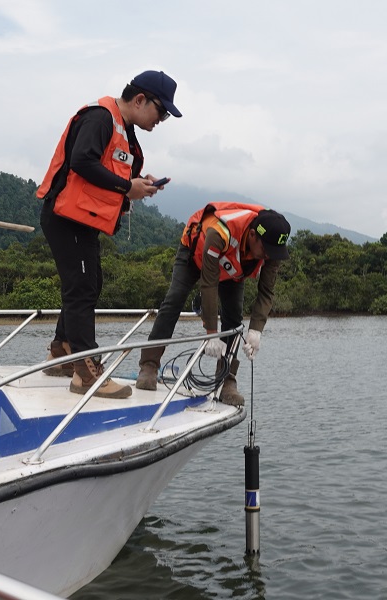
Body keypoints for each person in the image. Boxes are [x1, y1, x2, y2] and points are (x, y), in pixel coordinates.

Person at [37, 70, 182, 399]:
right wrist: (126, 186)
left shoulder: (124, 131)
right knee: (82, 288)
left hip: (83, 221)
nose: (162, 119)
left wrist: (138, 183)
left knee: (89, 284)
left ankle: (62, 353)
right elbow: (82, 162)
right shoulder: (101, 117)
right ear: (140, 99)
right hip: (66, 218)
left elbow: (111, 172)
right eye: (161, 111)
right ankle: (86, 374)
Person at [136, 202, 291, 405]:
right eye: (266, 249)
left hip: (233, 270)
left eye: (274, 251)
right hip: (195, 257)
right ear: (253, 234)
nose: (269, 255)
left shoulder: (271, 247)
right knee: (174, 300)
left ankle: (227, 381)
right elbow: (209, 283)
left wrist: (256, 331)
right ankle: (149, 365)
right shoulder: (221, 232)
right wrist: (211, 333)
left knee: (234, 319)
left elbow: (267, 291)